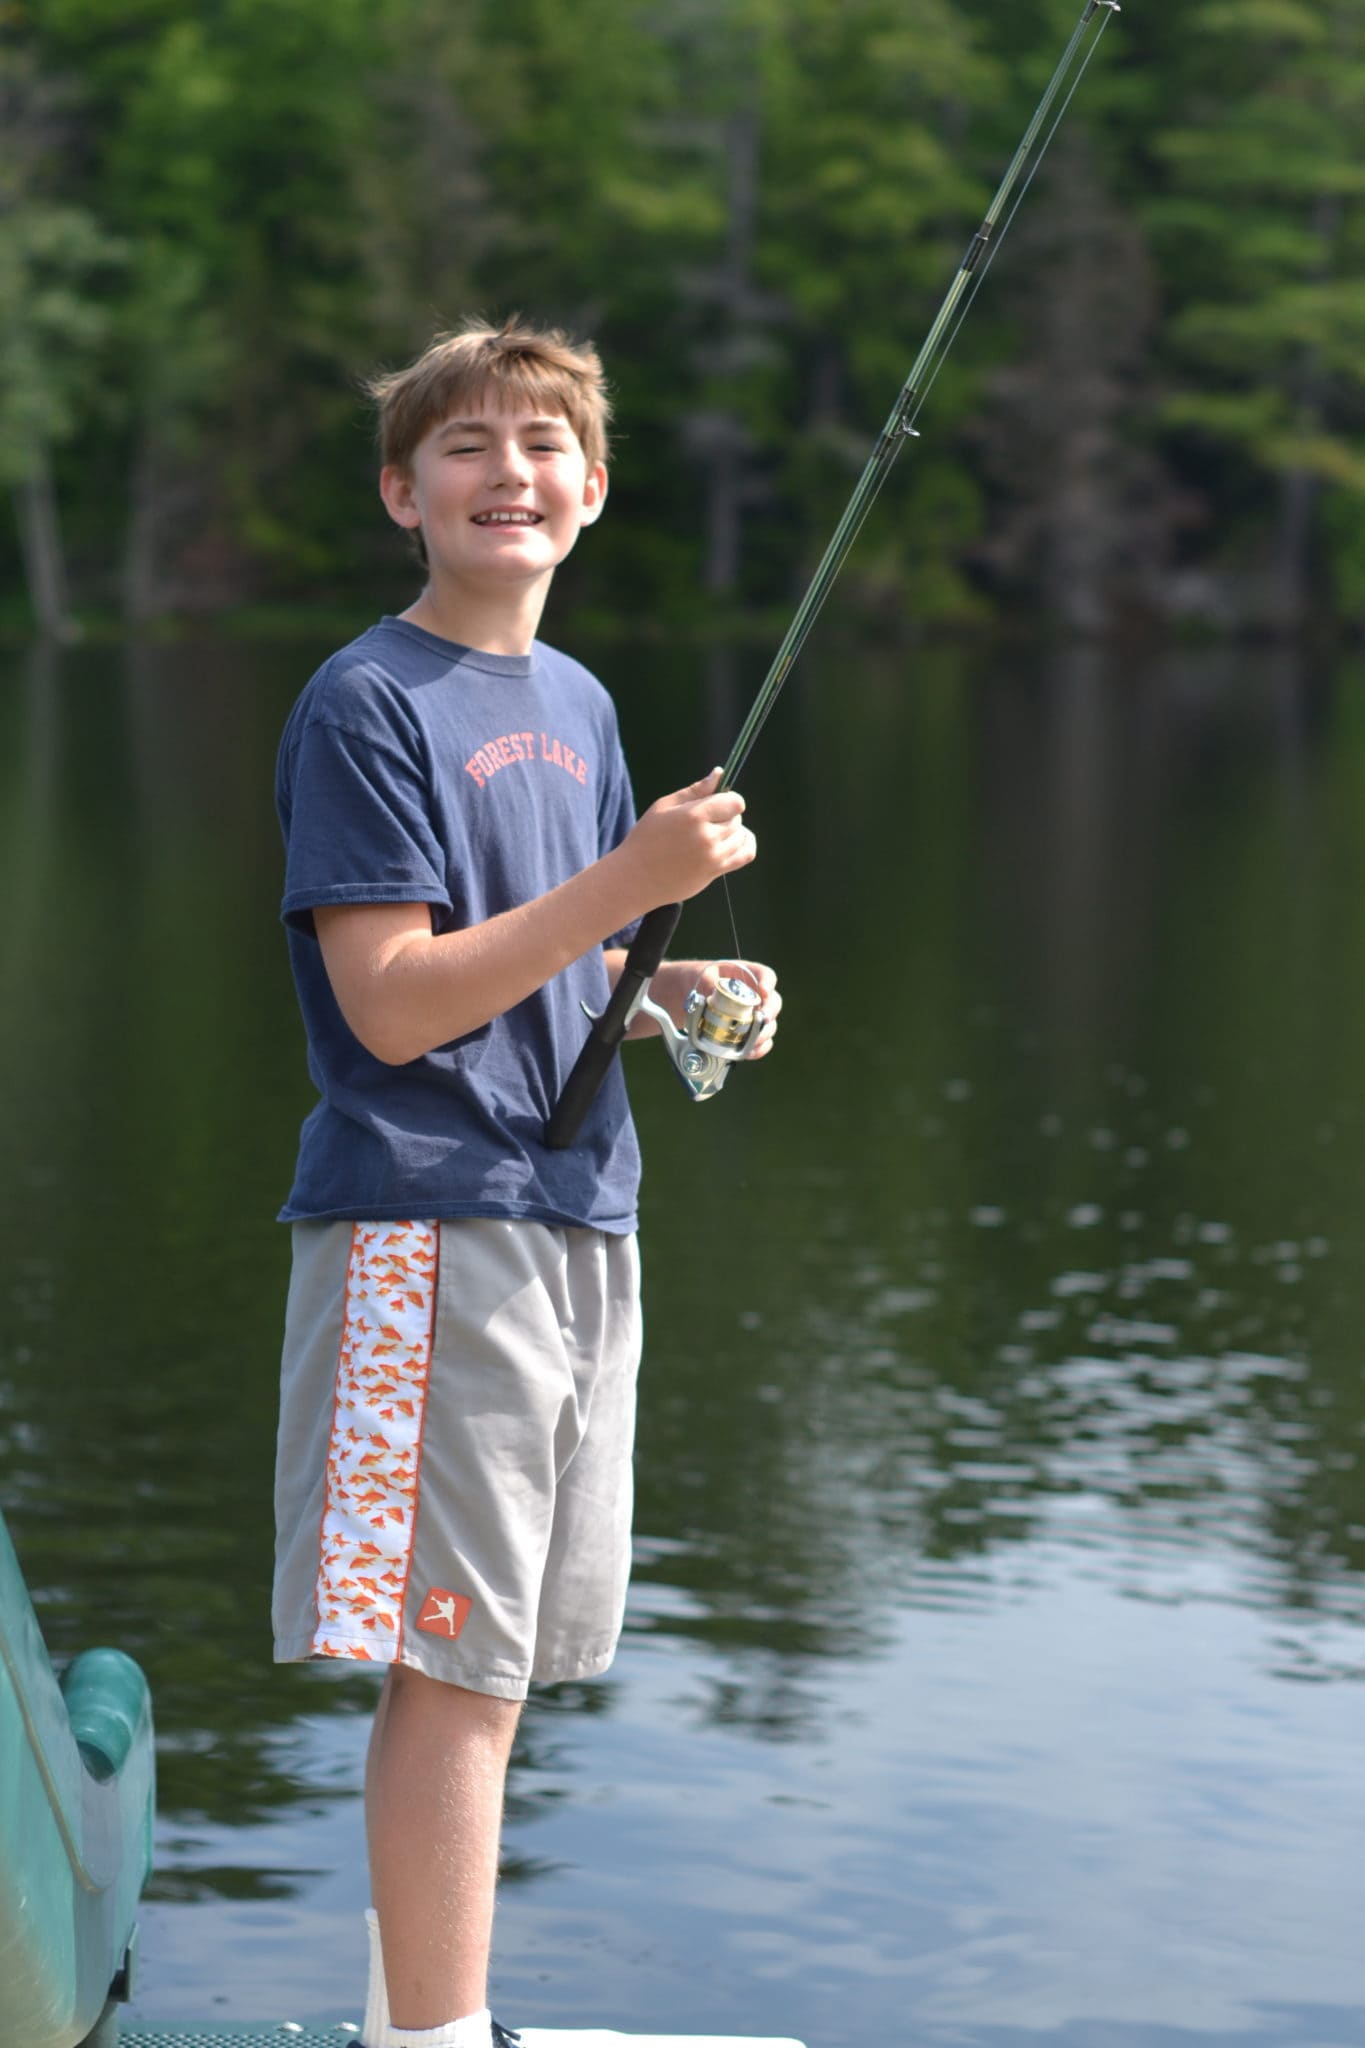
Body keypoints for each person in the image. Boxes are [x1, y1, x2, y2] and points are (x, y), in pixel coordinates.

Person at [270, 315, 781, 2048]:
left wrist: (664, 986)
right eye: (467, 446)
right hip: (425, 1219)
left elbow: (545, 971)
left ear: (595, 489)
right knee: (452, 1661)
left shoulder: (576, 702)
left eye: (542, 444)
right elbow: (394, 1004)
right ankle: (428, 2040)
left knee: (504, 1663)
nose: (510, 472)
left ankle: (419, 2019)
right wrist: (628, 886)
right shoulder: (366, 702)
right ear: (401, 492)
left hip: (574, 1218)